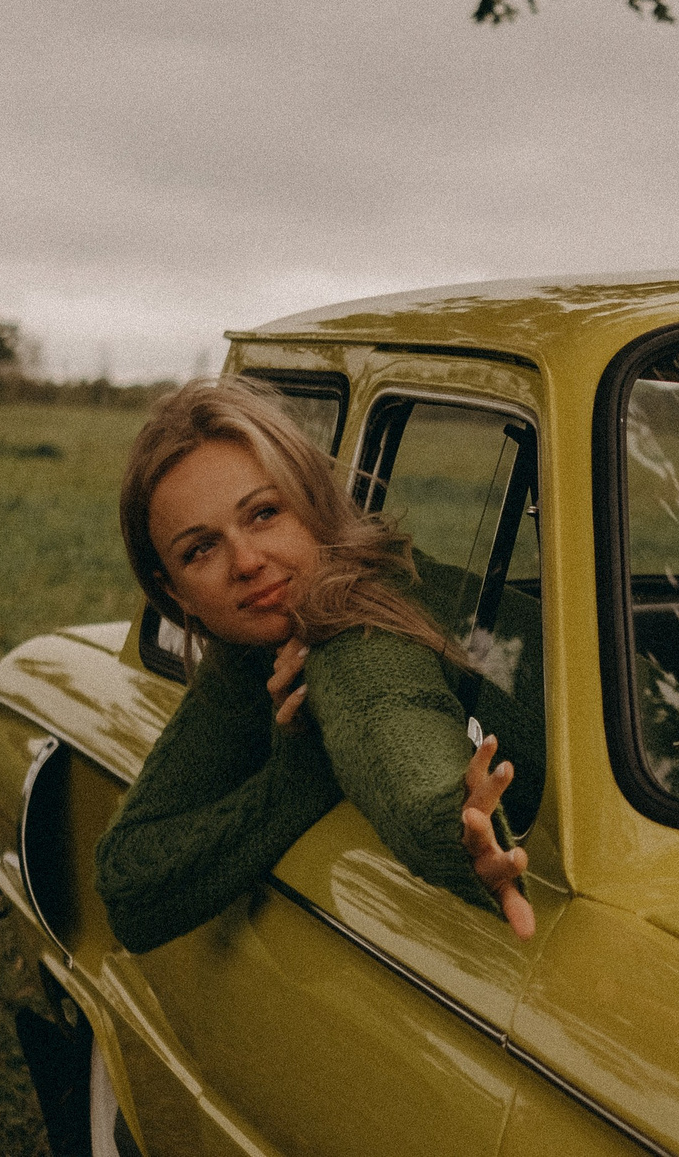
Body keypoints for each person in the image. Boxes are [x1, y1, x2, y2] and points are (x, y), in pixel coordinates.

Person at [94, 376, 543, 953]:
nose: (246, 561)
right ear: (173, 590)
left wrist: (453, 831)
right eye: (201, 548)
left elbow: (392, 716)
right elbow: (129, 890)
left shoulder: (350, 625)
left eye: (263, 513)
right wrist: (298, 775)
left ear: (312, 502)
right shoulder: (246, 653)